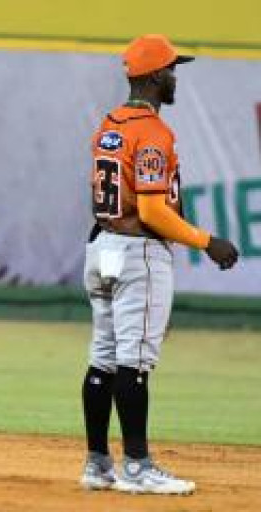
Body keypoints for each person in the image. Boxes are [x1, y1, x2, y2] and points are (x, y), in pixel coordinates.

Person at [80, 34, 238, 494]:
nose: (174, 76)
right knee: (134, 362)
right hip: (137, 252)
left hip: (104, 247)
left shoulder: (110, 124)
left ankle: (97, 464)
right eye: (170, 68)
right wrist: (208, 241)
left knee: (103, 358)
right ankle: (136, 466)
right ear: (153, 76)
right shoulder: (152, 133)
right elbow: (151, 210)